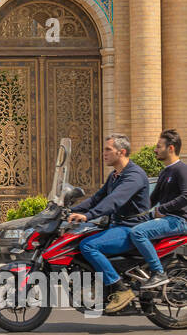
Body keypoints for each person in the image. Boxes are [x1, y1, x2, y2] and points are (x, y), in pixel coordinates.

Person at [67, 133, 150, 312]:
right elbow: (97, 198)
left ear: (121, 152)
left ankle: (120, 287)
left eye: (108, 150)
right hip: (117, 226)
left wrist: (88, 216)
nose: (104, 153)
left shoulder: (133, 175)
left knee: (88, 246)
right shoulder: (115, 175)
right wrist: (73, 210)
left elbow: (114, 201)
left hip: (130, 228)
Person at [126, 130, 187, 289]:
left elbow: (186, 196)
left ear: (171, 148)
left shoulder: (181, 169)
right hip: (166, 218)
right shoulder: (165, 172)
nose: (155, 150)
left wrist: (163, 209)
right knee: (126, 226)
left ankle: (158, 272)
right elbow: (151, 199)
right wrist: (130, 212)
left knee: (138, 232)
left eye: (159, 147)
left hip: (178, 220)